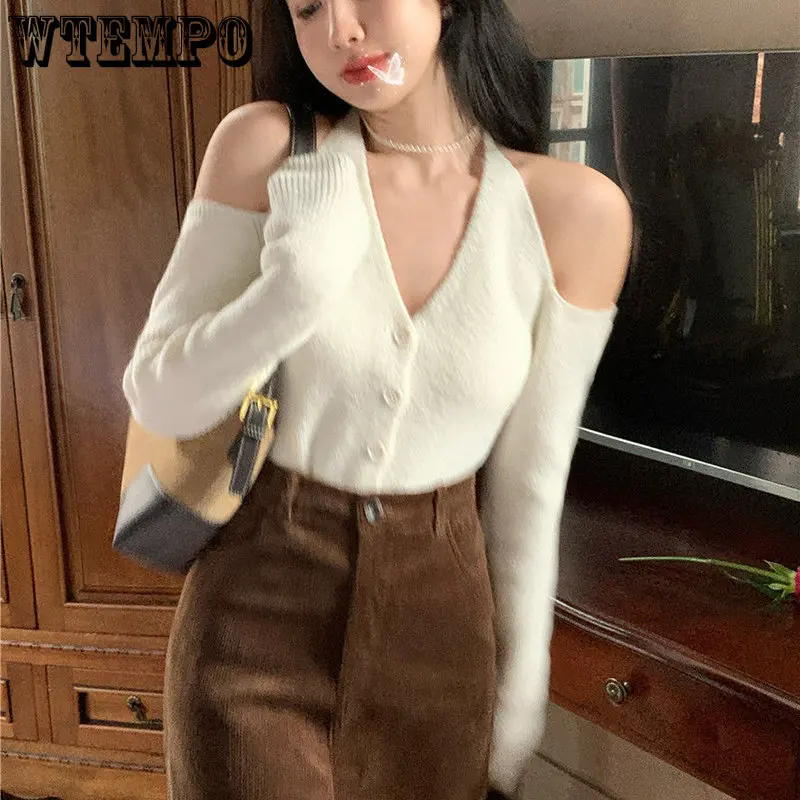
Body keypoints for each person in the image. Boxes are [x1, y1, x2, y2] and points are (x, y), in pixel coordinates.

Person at [121, 0, 632, 797]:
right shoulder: (268, 149)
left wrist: (518, 700)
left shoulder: (575, 212)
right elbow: (161, 398)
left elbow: (530, 484)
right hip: (255, 617)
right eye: (308, 8)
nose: (340, 30)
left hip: (443, 638)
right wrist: (295, 288)